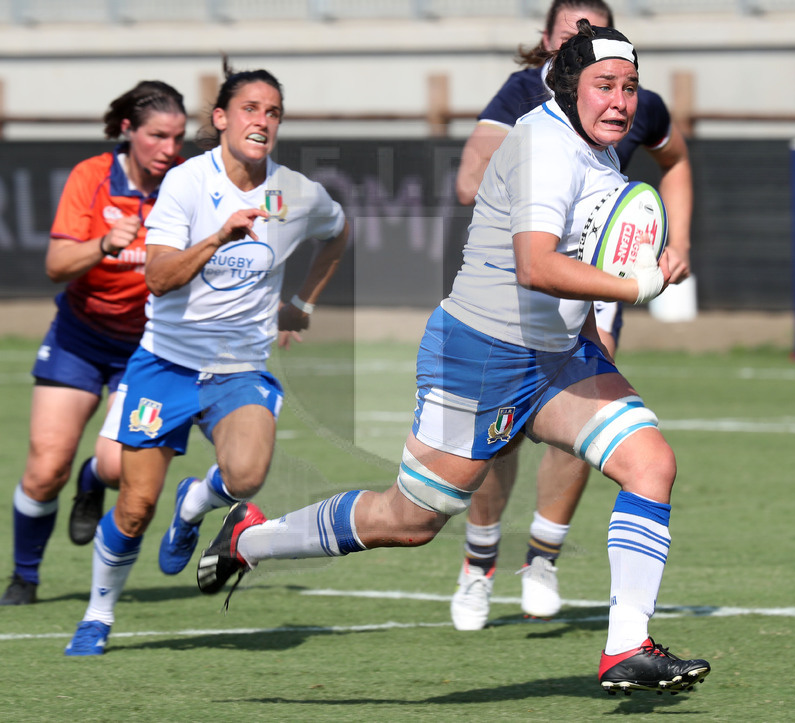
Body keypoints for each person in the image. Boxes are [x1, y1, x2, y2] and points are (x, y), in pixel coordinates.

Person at [196, 23, 710, 694]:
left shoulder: (598, 145)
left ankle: (626, 648)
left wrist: (599, 318)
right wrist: (633, 284)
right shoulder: (547, 149)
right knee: (407, 520)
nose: (620, 102)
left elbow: (583, 247)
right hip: (483, 356)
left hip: (555, 356)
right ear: (568, 86)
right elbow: (536, 266)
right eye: (604, 86)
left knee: (651, 462)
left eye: (630, 88)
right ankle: (249, 540)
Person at [63, 61, 349, 656]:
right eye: (250, 108)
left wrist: (301, 302)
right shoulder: (188, 183)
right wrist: (220, 235)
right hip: (164, 364)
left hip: (238, 367)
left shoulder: (294, 193)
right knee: (135, 506)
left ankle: (194, 503)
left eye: (273, 112)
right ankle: (98, 615)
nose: (262, 121)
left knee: (247, 477)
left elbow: (340, 231)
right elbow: (160, 278)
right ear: (221, 118)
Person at [450, 0, 694, 631]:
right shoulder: (526, 106)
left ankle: (543, 559)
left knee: (604, 427)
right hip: (514, 294)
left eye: (595, 34)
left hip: (594, 288)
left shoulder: (628, 100)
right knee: (492, 439)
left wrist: (677, 242)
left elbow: (676, 163)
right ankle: (480, 564)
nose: (586, 45)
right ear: (548, 47)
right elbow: (469, 183)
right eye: (571, 37)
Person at [0, 81, 187, 606]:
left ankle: (91, 479)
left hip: (148, 349)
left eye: (176, 137)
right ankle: (25, 577)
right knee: (43, 469)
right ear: (128, 131)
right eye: (156, 136)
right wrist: (106, 242)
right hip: (79, 338)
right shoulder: (92, 177)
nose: (168, 149)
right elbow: (57, 266)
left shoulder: (187, 184)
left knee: (113, 467)